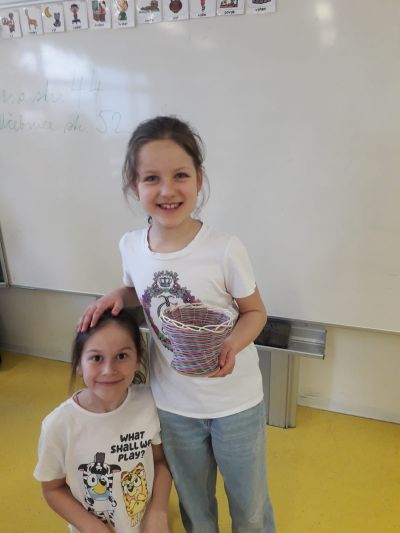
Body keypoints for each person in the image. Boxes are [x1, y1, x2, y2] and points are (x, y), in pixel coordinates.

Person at [78, 116, 275, 533]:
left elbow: (255, 313)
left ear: (199, 179)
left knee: (250, 506)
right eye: (152, 178)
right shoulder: (131, 245)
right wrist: (118, 295)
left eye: (180, 175)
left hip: (235, 402)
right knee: (194, 505)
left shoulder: (224, 249)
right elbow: (139, 290)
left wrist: (231, 346)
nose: (167, 190)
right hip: (173, 404)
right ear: (134, 185)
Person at [34, 309, 171, 533]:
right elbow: (52, 489)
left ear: (137, 360)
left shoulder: (149, 403)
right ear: (79, 365)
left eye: (121, 356)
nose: (109, 370)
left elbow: (161, 462)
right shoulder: (59, 425)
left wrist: (159, 511)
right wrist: (92, 527)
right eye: (96, 358)